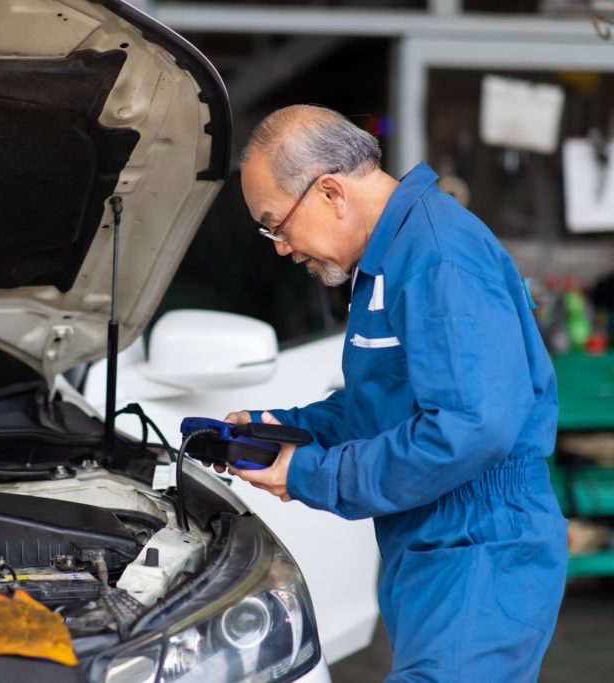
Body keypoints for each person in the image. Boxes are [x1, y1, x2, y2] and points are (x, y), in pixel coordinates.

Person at [218, 104, 566, 681]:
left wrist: (316, 474)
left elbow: (472, 426)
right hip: (435, 547)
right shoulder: (391, 260)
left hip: (478, 547)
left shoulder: (437, 257)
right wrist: (283, 429)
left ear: (329, 192)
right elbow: (383, 408)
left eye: (275, 223)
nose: (278, 246)